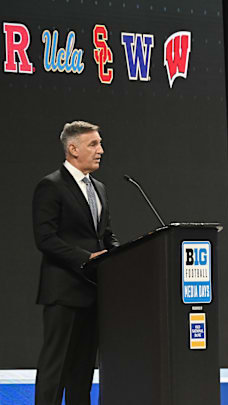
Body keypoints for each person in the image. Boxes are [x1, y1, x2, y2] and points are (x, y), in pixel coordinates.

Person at [32, 121, 119, 405]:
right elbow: (45, 238)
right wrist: (86, 259)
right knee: (55, 370)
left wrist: (119, 254)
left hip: (94, 294)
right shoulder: (51, 186)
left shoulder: (100, 189)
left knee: (82, 374)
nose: (100, 150)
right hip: (64, 292)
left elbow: (105, 234)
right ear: (73, 148)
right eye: (93, 144)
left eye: (100, 144)